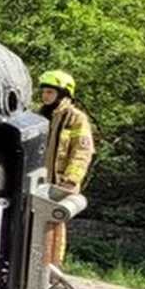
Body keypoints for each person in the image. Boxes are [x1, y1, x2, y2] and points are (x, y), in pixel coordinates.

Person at [38, 70, 94, 266]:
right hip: (39, 183)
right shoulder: (39, 116)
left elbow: (82, 152)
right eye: (44, 92)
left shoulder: (75, 118)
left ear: (63, 94)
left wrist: (71, 180)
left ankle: (52, 270)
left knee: (55, 230)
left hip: (60, 185)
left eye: (50, 92)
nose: (45, 96)